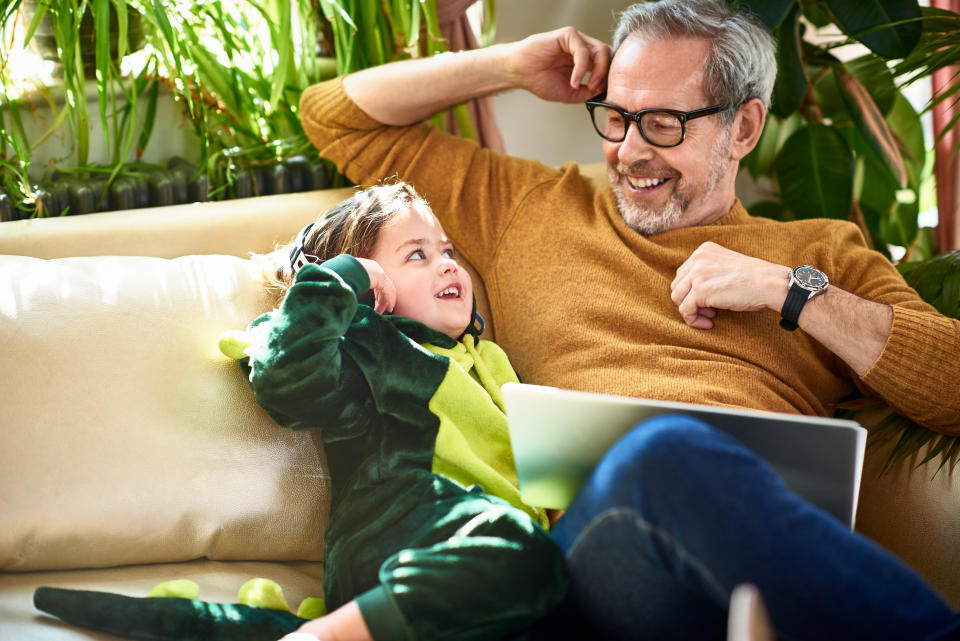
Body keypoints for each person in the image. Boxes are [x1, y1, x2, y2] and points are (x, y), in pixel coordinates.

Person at [295, 0, 960, 639]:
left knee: (677, 462)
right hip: (595, 572)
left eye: (665, 123)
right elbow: (332, 117)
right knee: (661, 453)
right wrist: (506, 67)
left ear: (745, 127)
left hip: (762, 568)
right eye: (617, 117)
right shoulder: (531, 206)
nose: (630, 151)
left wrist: (788, 292)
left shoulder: (820, 255)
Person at [239, 182, 568, 641]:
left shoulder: (491, 361)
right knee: (520, 549)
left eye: (447, 251)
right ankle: (326, 636)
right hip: (398, 553)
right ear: (372, 286)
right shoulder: (370, 347)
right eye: (418, 255)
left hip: (502, 575)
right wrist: (340, 280)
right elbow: (286, 380)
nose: (448, 264)